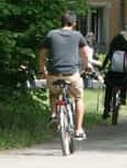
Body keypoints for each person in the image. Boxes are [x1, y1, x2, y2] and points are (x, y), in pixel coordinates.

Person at [38, 11, 92, 140]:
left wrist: (42, 70)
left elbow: (42, 54)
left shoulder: (51, 35)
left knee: (53, 94)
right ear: (74, 23)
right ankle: (78, 129)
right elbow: (85, 54)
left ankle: (54, 115)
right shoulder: (77, 36)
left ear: (61, 22)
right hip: (72, 75)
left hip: (54, 74)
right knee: (78, 98)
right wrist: (87, 66)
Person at [99, 33, 127, 119]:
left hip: (113, 74)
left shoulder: (113, 50)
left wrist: (102, 68)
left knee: (108, 90)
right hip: (123, 75)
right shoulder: (126, 50)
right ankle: (123, 97)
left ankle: (106, 109)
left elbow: (107, 59)